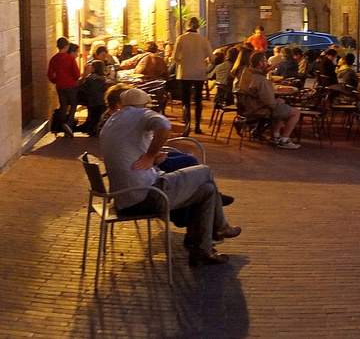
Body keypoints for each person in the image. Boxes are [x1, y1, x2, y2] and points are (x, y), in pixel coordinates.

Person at [98, 86, 242, 266]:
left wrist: (151, 156)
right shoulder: (142, 114)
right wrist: (150, 156)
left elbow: (127, 151)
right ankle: (221, 227)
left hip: (123, 198)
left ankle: (203, 250)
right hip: (146, 195)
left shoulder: (113, 120)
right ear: (143, 104)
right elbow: (165, 127)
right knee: (205, 171)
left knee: (207, 190)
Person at [235, 52, 301, 149]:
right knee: (294, 112)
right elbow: (270, 103)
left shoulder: (246, 73)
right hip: (259, 109)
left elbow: (257, 76)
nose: (267, 63)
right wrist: (278, 102)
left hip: (248, 106)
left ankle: (275, 136)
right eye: (265, 61)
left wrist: (267, 70)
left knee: (282, 109)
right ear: (260, 63)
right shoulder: (261, 80)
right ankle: (284, 140)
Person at [172, 18, 212, 135]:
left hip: (185, 72)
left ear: (188, 25)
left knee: (186, 101)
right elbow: (212, 58)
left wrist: (183, 61)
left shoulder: (181, 38)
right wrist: (203, 61)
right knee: (198, 100)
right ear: (197, 26)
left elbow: (175, 57)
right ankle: (197, 126)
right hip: (199, 72)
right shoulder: (203, 40)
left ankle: (187, 125)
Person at [47, 38, 81, 137]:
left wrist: (55, 81)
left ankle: (61, 125)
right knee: (74, 104)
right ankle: (68, 123)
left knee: (63, 106)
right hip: (70, 85)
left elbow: (50, 74)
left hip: (60, 86)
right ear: (66, 47)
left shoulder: (54, 59)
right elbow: (76, 74)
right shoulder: (69, 58)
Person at [78, 48, 112, 136]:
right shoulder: (104, 79)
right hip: (101, 101)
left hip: (92, 101)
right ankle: (99, 129)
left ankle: (92, 130)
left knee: (92, 116)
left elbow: (83, 87)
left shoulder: (90, 78)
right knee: (100, 116)